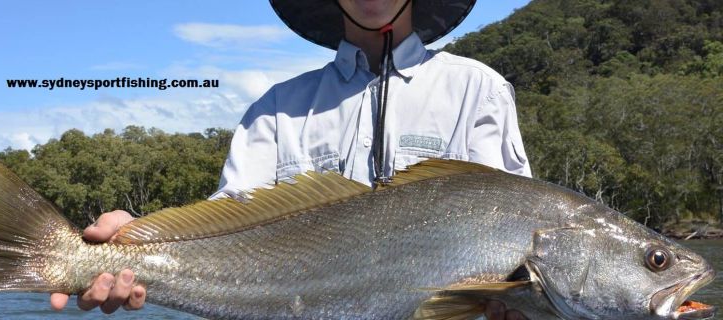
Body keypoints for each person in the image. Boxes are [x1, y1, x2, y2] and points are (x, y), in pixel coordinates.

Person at [51, 1, 531, 319]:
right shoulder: (275, 107)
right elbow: (228, 225)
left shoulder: (479, 89)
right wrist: (131, 240)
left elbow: (514, 237)